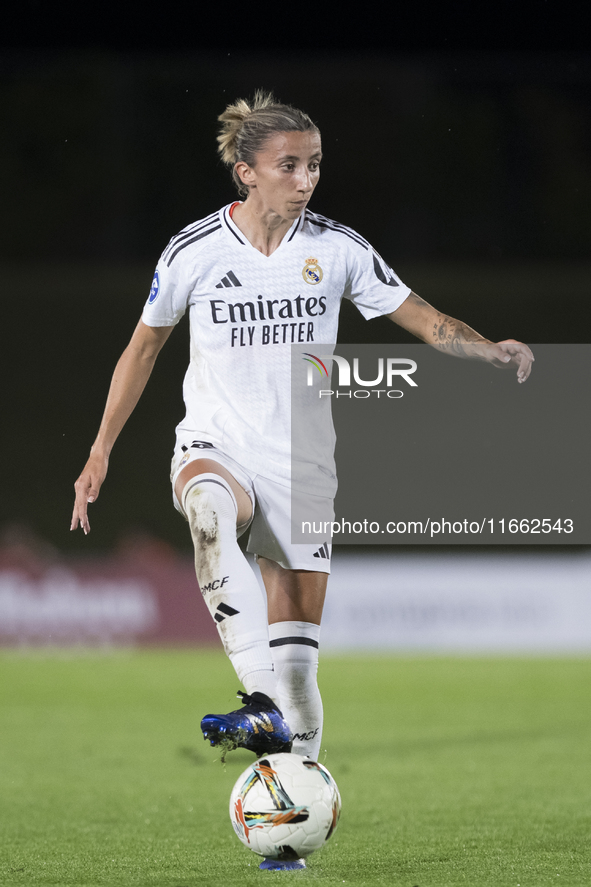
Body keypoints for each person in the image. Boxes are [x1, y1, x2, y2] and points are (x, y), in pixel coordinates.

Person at [71, 91, 533, 867]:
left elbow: (417, 314)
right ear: (246, 170)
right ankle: (258, 708)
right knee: (210, 511)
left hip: (303, 466)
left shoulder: (337, 248)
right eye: (289, 165)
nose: (306, 178)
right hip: (216, 440)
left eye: (314, 163)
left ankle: (293, 822)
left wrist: (485, 347)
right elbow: (143, 348)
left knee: (297, 664)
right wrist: (99, 449)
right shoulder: (193, 251)